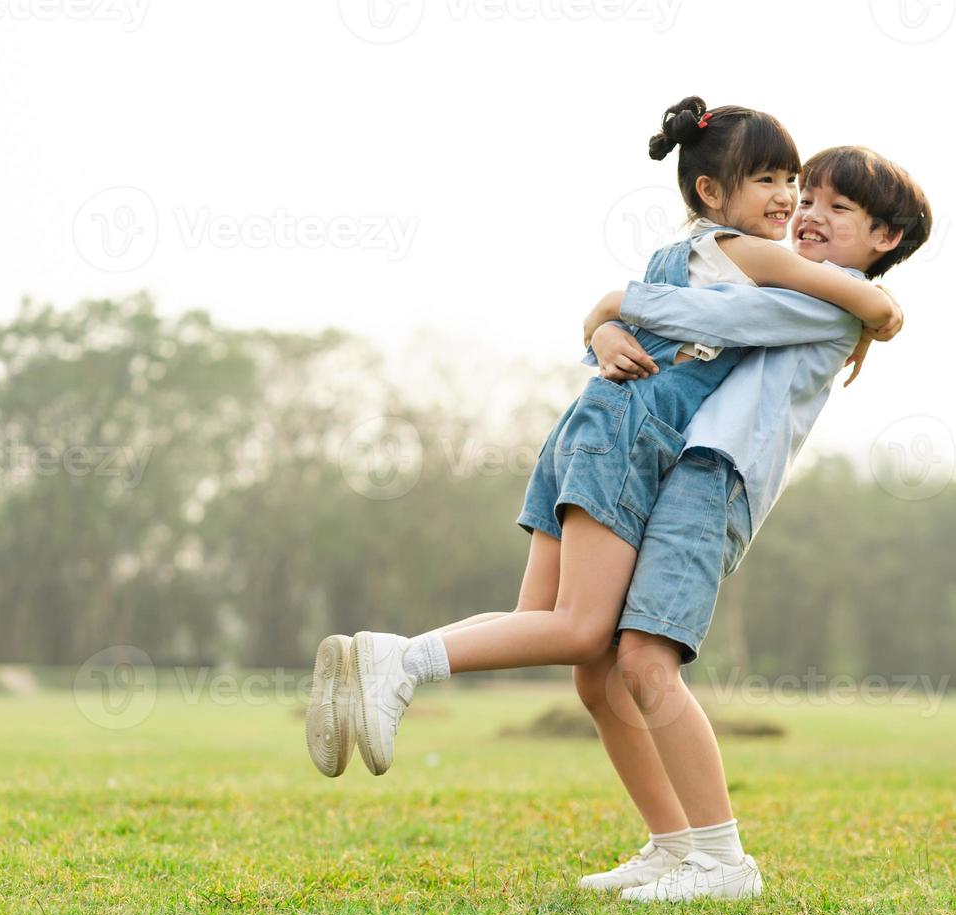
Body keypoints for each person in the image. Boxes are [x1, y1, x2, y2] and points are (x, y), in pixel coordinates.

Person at [303, 99, 898, 791]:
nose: (788, 198)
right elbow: (861, 301)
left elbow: (648, 327)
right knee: (585, 632)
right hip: (629, 435)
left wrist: (603, 324)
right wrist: (876, 318)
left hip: (588, 422)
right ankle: (397, 661)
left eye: (789, 177)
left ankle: (364, 678)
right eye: (768, 179)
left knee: (539, 623)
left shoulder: (677, 254)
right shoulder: (755, 254)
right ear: (712, 192)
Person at [571, 145, 933, 901]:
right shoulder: (830, 293)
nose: (808, 212)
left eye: (839, 208)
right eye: (809, 198)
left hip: (717, 477)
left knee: (643, 660)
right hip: (691, 467)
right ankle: (675, 848)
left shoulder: (830, 296)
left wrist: (615, 304)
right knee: (609, 667)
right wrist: (602, 332)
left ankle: (722, 862)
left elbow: (716, 312)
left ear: (884, 239)